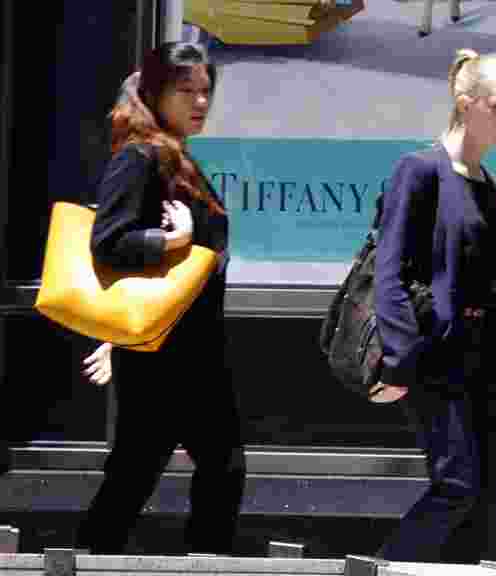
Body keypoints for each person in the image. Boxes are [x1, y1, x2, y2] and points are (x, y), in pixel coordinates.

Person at [76, 42, 244, 555]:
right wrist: (174, 240)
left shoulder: (173, 154)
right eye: (185, 90)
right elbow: (108, 241)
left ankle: (190, 562)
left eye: (205, 91)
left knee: (178, 468)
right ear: (155, 92)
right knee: (159, 471)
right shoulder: (140, 156)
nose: (199, 102)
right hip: (165, 356)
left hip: (187, 349)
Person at [372, 49, 496, 563]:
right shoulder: (419, 171)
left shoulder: (487, 186)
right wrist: (399, 360)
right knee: (456, 483)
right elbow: (390, 272)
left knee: (480, 504)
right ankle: (384, 569)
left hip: (482, 367)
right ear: (466, 103)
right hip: (435, 360)